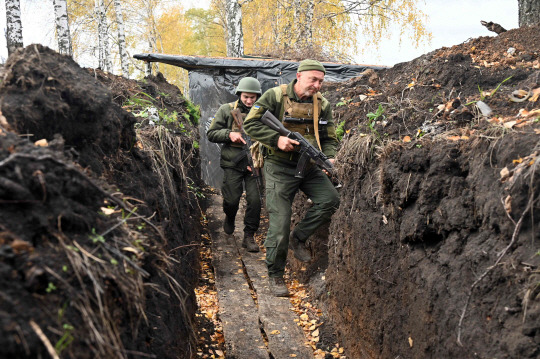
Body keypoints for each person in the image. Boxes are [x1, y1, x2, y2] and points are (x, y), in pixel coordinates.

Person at [244, 60, 340, 296]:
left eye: (321, 81)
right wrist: (276, 140)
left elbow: (328, 136)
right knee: (279, 224)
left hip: (308, 165)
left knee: (330, 199)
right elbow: (250, 124)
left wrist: (330, 158)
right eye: (313, 80)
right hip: (278, 166)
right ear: (298, 76)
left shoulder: (322, 104)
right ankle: (275, 276)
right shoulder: (275, 96)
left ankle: (299, 237)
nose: (317, 85)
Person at [207, 77, 263, 252]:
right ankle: (230, 217)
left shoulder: (263, 112)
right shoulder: (227, 110)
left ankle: (249, 236)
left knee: (255, 200)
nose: (249, 101)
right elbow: (212, 133)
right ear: (240, 94)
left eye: (253, 97)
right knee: (232, 200)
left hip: (255, 162)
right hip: (233, 162)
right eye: (246, 97)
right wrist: (229, 134)